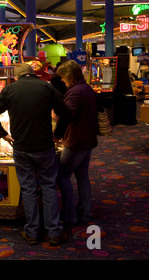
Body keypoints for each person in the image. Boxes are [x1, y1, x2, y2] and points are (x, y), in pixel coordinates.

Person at [0, 63, 69, 246]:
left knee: (29, 189)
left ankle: (32, 232)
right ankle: (54, 232)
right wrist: (58, 135)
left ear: (16, 77)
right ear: (33, 74)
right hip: (44, 146)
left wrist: (3, 134)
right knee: (49, 187)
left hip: (21, 147)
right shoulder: (47, 87)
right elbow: (65, 113)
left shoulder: (10, 89)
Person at [56, 60, 98, 225]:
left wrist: (55, 115)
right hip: (87, 139)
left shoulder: (74, 92)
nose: (61, 80)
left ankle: (69, 214)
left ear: (69, 76)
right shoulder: (86, 88)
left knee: (62, 176)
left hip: (76, 141)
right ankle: (84, 213)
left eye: (62, 77)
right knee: (82, 176)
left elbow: (68, 115)